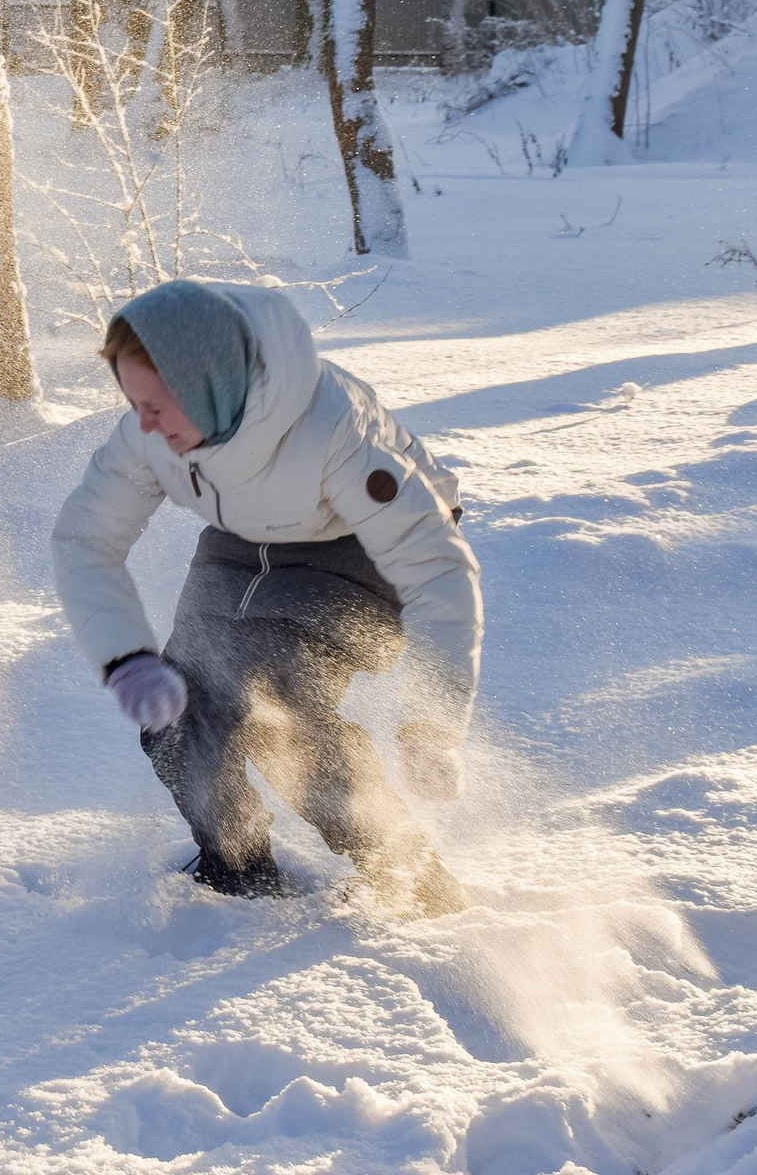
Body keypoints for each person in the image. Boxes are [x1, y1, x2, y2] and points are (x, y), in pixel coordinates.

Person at [51, 279, 480, 915]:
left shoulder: (336, 429)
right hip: (243, 540)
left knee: (274, 701)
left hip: (357, 547)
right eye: (130, 400)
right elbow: (85, 538)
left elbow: (437, 568)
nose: (141, 422)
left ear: (209, 385)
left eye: (156, 403)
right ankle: (238, 872)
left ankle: (407, 872)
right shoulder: (151, 429)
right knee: (182, 706)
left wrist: (433, 724)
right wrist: (126, 658)